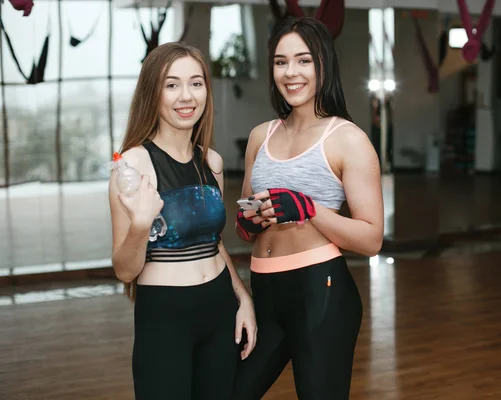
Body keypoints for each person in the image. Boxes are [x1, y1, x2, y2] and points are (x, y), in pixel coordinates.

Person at [232, 17, 384, 400]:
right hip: (264, 290)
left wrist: (307, 208)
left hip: (321, 293)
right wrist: (249, 221)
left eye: (303, 60)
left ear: (322, 65)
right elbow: (247, 227)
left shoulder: (347, 139)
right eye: (281, 62)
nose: (290, 72)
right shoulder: (260, 136)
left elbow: (371, 239)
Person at [108, 42, 256, 400]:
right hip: (166, 316)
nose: (185, 96)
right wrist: (141, 226)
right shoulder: (133, 167)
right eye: (171, 84)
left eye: (196, 83)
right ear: (152, 93)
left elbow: (214, 240)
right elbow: (125, 271)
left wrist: (243, 298)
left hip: (220, 309)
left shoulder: (213, 163)